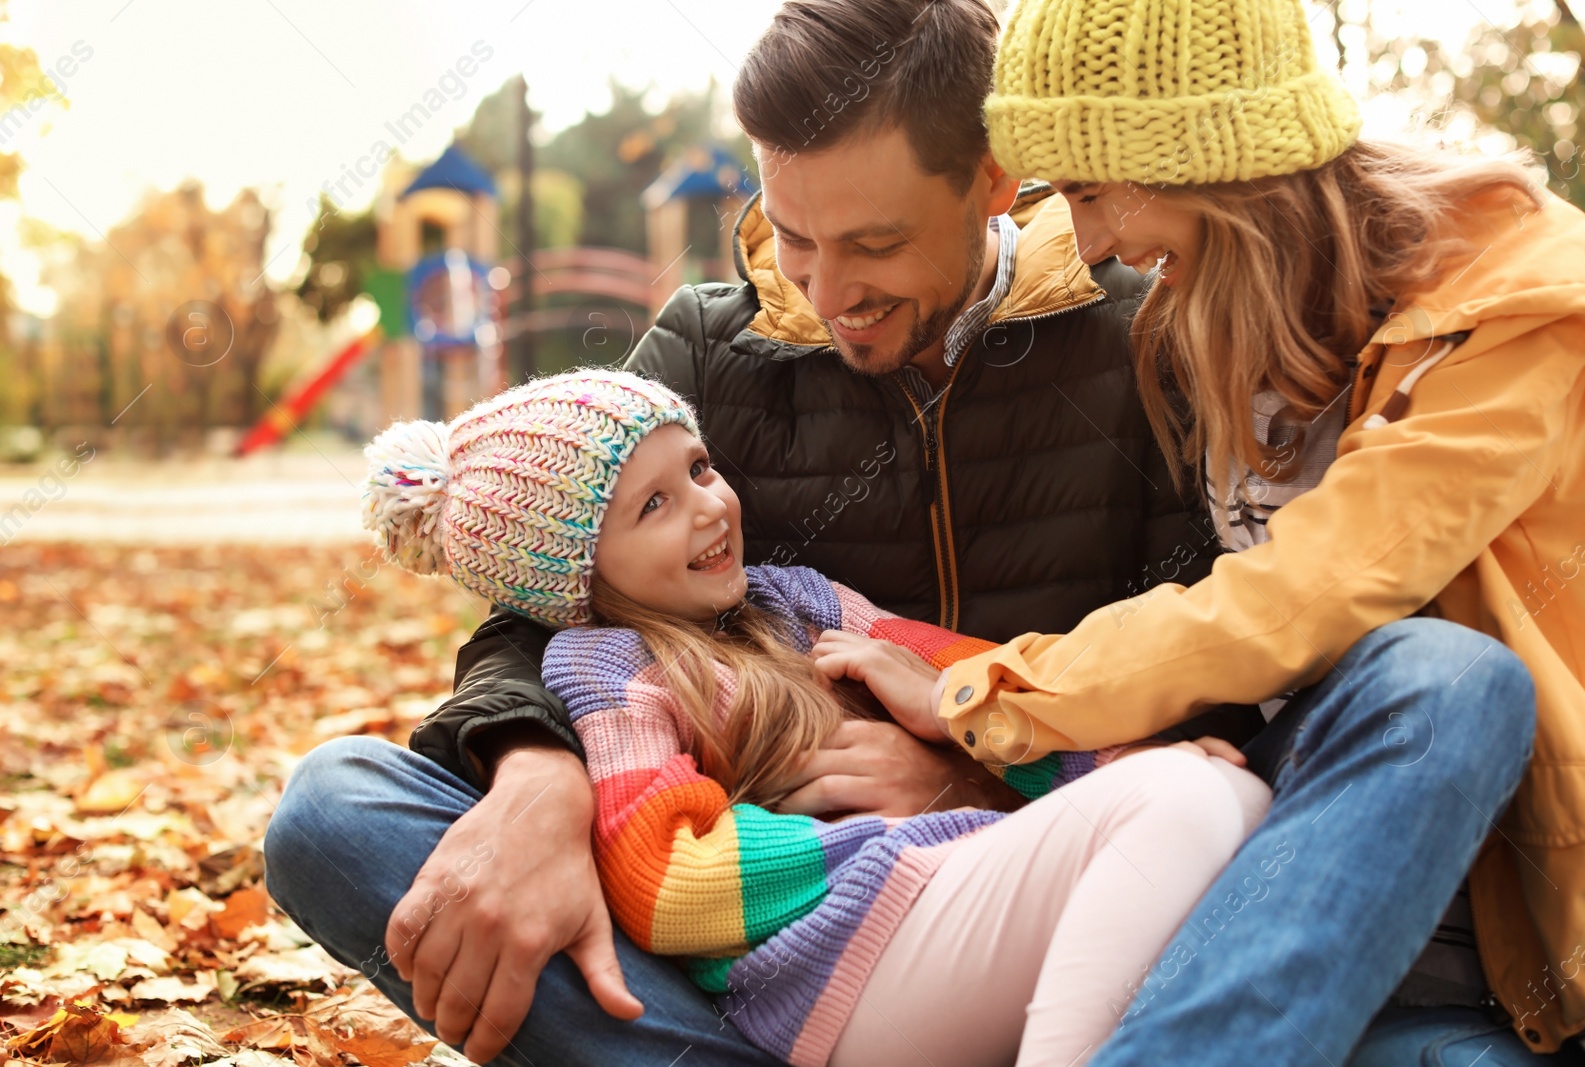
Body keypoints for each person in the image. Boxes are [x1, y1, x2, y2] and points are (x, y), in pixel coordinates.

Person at [264, 1, 1241, 1064]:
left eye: (874, 244)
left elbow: (1208, 662)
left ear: (994, 181)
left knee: (1242, 793)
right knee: (335, 809)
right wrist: (538, 773)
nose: (825, 292)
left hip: (1065, 858)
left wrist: (973, 774)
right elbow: (545, 600)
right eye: (794, 235)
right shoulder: (707, 350)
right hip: (782, 924)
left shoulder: (1145, 337)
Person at [824, 0, 1585, 1062]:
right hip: (1249, 870)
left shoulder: (1518, 306)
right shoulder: (1199, 312)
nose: (1091, 242)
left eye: (1093, 194)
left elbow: (1311, 590)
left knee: (1447, 677)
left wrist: (994, 690)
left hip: (1469, 933)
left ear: (1209, 164)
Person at [347, 369, 1270, 1067]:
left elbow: (971, 682)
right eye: (654, 505)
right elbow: (670, 883)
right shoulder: (607, 664)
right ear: (580, 578)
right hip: (833, 963)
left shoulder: (802, 599)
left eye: (700, 467)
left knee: (1227, 794)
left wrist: (1111, 758)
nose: (708, 506)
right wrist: (892, 831)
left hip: (937, 899)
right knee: (1177, 808)